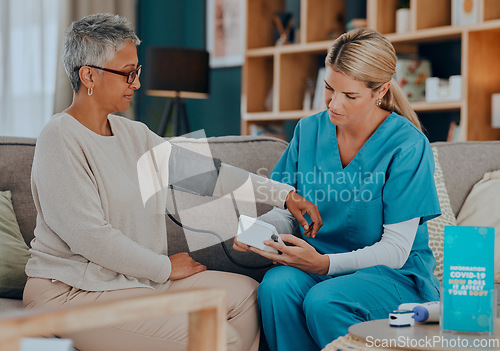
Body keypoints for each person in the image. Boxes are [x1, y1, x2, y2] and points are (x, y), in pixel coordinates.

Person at [23, 13, 322, 351]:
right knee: (215, 338)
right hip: (70, 291)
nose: (136, 83)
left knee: (246, 296)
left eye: (137, 72)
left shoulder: (131, 133)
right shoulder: (60, 136)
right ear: (89, 75)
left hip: (133, 282)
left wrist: (283, 195)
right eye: (128, 73)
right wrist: (164, 267)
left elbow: (208, 173)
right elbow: (90, 236)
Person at [234, 28, 442, 351]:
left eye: (349, 95)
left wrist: (324, 264)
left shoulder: (408, 145)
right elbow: (289, 209)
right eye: (328, 88)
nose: (333, 103)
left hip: (391, 277)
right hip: (321, 266)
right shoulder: (309, 130)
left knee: (324, 301)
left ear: (381, 90)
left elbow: (396, 250)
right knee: (276, 287)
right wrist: (263, 234)